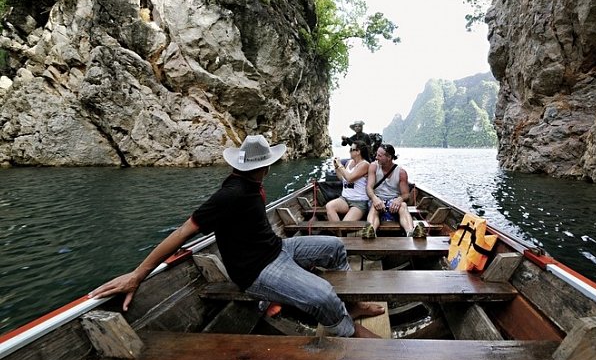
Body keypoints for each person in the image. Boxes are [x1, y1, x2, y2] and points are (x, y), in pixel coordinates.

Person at [89, 134, 383, 338]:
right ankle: (347, 329)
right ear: (265, 166)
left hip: (277, 247)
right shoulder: (230, 194)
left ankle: (352, 307)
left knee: (335, 248)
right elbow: (182, 233)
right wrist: (138, 274)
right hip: (257, 270)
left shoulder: (251, 183)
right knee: (324, 297)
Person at [363, 144, 425, 238]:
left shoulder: (401, 172)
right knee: (373, 207)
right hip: (378, 198)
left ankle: (410, 232)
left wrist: (399, 200)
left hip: (393, 201)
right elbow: (369, 188)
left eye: (379, 156)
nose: (376, 158)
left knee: (403, 205)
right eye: (377, 155)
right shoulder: (373, 167)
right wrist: (375, 199)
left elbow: (406, 195)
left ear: (389, 157)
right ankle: (371, 231)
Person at [325, 140, 371, 221]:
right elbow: (343, 179)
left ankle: (338, 232)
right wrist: (336, 167)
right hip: (345, 199)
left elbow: (350, 178)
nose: (349, 151)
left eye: (351, 149)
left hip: (359, 202)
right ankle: (339, 233)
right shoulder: (349, 163)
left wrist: (340, 165)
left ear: (358, 152)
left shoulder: (365, 165)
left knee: (345, 223)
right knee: (329, 206)